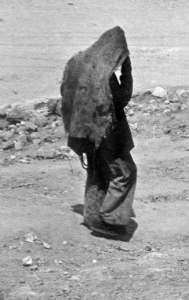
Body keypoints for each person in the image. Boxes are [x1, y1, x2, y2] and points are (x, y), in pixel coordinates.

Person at [62, 27, 137, 241]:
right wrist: (127, 70)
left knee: (98, 172)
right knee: (125, 172)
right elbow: (122, 98)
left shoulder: (78, 64)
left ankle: (92, 215)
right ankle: (109, 220)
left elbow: (65, 96)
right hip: (106, 134)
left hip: (83, 134)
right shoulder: (104, 74)